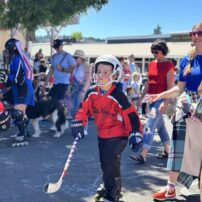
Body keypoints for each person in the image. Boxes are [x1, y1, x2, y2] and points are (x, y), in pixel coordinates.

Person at [71, 55, 142, 202]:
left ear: (114, 75)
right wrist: (78, 122)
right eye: (98, 72)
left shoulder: (117, 95)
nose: (101, 75)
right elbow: (82, 109)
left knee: (110, 163)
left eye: (106, 72)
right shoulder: (92, 92)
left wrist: (135, 133)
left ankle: (112, 195)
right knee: (106, 163)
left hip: (118, 135)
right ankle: (109, 186)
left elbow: (131, 115)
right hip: (102, 134)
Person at [150, 22, 202, 201]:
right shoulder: (187, 59)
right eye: (192, 33)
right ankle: (170, 188)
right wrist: (160, 95)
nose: (195, 36)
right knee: (176, 146)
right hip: (187, 105)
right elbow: (179, 88)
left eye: (199, 33)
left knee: (199, 150)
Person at [130, 39, 174, 164]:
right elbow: (148, 83)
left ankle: (143, 154)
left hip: (161, 98)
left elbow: (170, 86)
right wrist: (141, 97)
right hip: (150, 98)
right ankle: (168, 151)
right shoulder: (151, 64)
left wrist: (166, 102)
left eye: (156, 51)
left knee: (149, 124)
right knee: (160, 127)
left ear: (163, 51)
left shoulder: (169, 65)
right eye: (152, 51)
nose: (154, 54)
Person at [0, 38, 34, 147]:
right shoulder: (14, 58)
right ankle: (24, 131)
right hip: (17, 88)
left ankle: (22, 134)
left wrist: (6, 80)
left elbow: (18, 79)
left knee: (17, 112)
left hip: (22, 87)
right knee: (19, 111)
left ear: (13, 47)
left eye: (7, 48)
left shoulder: (18, 59)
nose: (6, 51)